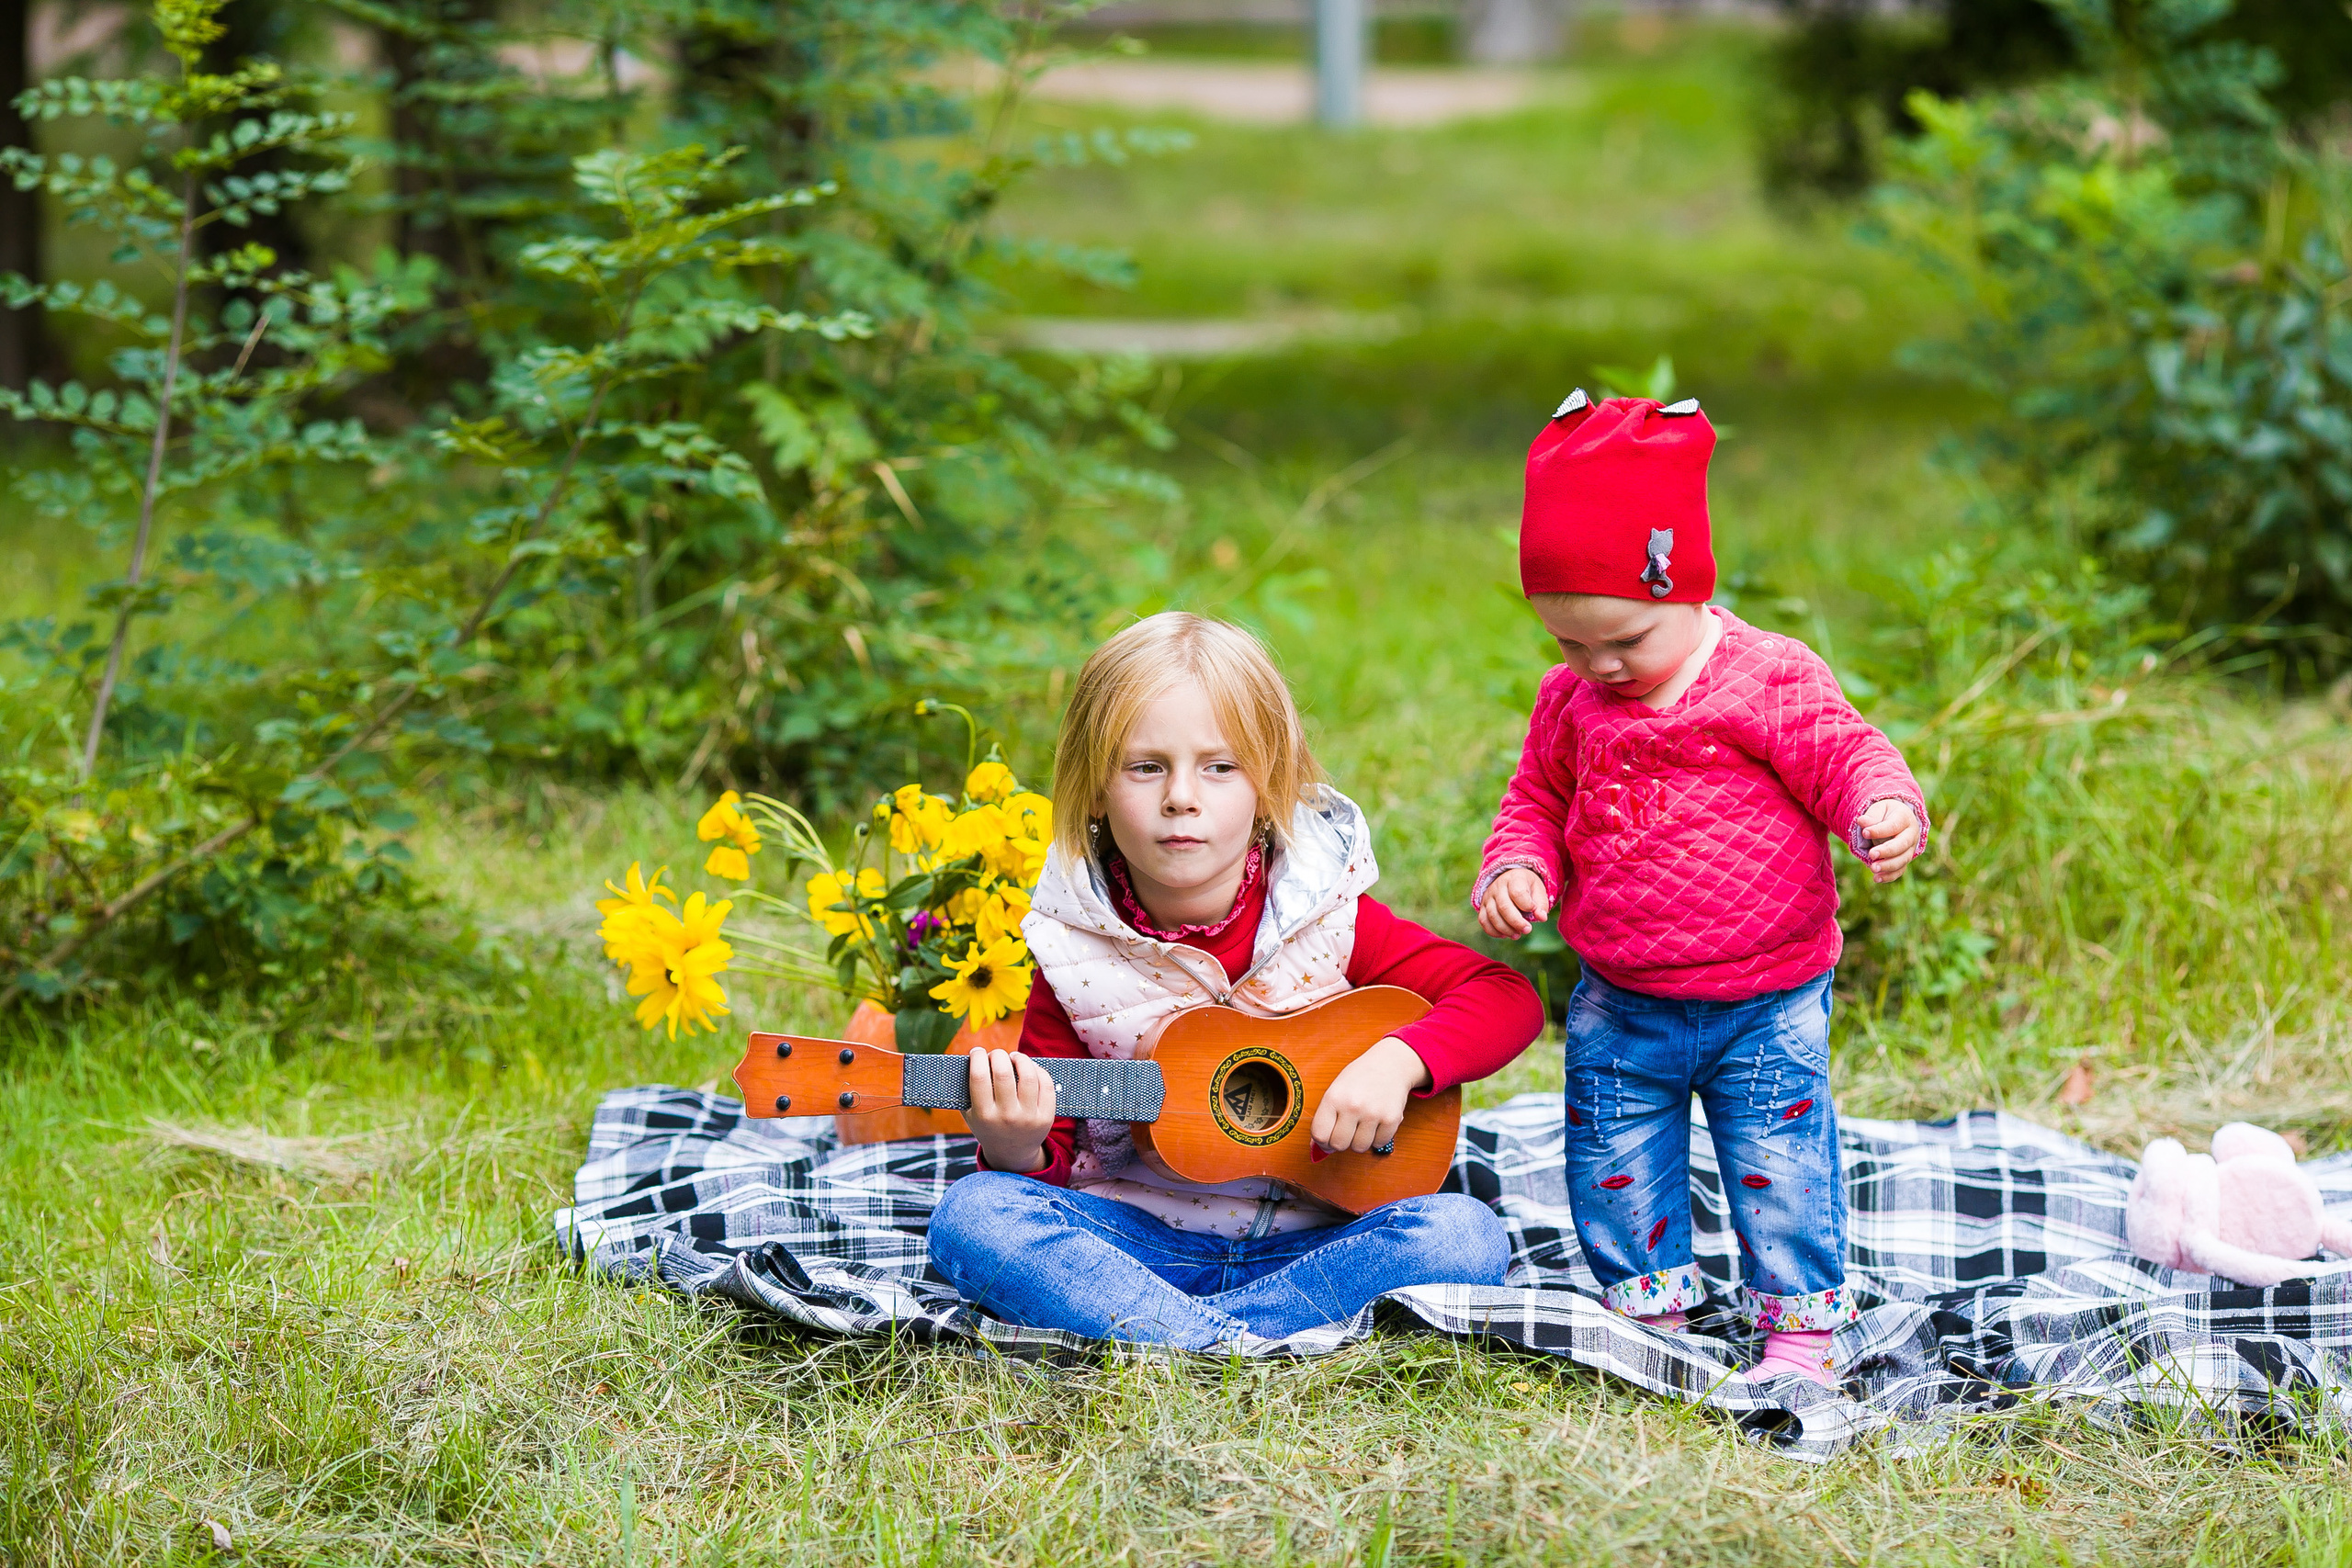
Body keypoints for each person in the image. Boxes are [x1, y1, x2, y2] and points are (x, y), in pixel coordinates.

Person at [1472, 389, 1928, 1387]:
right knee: (1617, 1163)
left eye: (1625, 642)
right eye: (1569, 644)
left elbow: (1844, 754)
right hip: (1621, 999)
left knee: (1778, 1167)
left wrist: (1878, 809)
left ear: (1686, 590)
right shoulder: (1572, 702)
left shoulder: (1765, 679)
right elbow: (1536, 799)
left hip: (1764, 999)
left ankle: (1799, 1327)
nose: (1599, 665)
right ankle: (1652, 1313)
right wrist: (1517, 865)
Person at [927, 612, 1544, 1348]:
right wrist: (1012, 1144)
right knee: (975, 1214)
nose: (1181, 796)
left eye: (1219, 767)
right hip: (1135, 1247)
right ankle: (1234, 1347)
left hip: (1318, 1248)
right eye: (1145, 766)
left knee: (1463, 1235)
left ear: (1268, 788)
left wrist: (1399, 1060)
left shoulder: (1329, 919)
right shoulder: (1071, 953)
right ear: (1095, 789)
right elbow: (1046, 1171)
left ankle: (1179, 1344)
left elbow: (1506, 998)